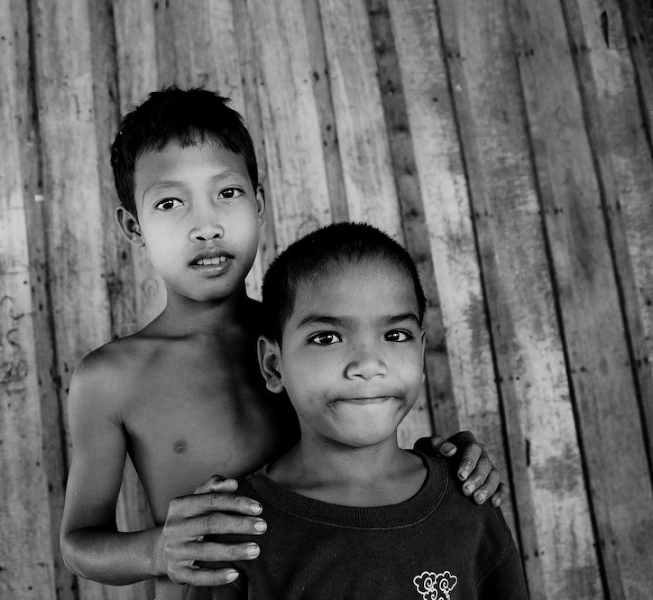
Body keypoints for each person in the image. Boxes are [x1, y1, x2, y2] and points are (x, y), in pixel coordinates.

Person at [58, 87, 507, 600]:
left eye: (227, 193)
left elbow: (371, 430)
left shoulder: (315, 337)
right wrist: (156, 551)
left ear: (259, 202)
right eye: (169, 202)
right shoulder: (111, 378)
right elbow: (77, 543)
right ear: (133, 227)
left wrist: (447, 467)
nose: (205, 226)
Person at [186, 222, 527, 599]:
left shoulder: (470, 502)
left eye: (395, 335)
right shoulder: (238, 533)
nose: (368, 364)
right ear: (273, 364)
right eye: (327, 338)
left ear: (422, 352)